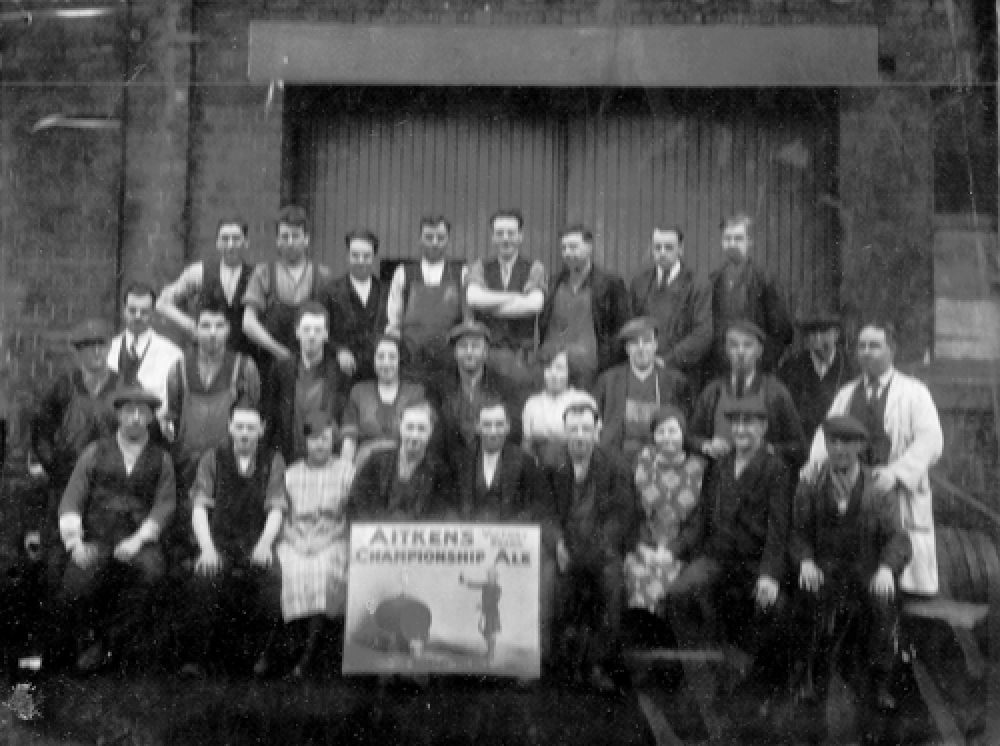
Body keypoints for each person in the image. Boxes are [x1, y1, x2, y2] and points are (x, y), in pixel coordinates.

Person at [664, 399, 792, 709]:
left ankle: (740, 666)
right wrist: (683, 553)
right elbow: (704, 518)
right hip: (716, 557)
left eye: (750, 423)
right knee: (679, 594)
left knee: (775, 607)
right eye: (736, 424)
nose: (742, 430)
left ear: (762, 428)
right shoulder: (719, 466)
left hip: (753, 562)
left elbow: (778, 529)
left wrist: (769, 576)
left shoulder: (776, 469)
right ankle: (702, 673)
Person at [805, 319, 943, 596]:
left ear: (891, 350)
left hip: (892, 488)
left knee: (896, 565)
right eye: (861, 346)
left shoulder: (914, 393)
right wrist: (814, 463)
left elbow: (931, 441)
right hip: (853, 489)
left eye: (875, 346)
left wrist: (897, 473)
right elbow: (827, 433)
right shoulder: (846, 394)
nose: (866, 352)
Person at [790, 415, 911, 721]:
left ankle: (880, 685)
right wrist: (805, 561)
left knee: (883, 608)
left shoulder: (878, 487)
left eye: (847, 443)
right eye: (833, 442)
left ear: (859, 447)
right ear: (826, 445)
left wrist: (886, 569)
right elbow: (797, 532)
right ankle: (809, 681)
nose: (839, 449)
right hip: (825, 569)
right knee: (808, 604)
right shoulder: (811, 483)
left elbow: (898, 538)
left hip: (866, 570)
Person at [56, 385, 176, 672]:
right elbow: (73, 497)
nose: (135, 417)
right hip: (97, 539)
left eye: (142, 412)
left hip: (140, 542)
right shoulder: (95, 452)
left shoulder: (162, 459)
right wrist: (75, 543)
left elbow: (165, 505)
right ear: (119, 416)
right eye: (129, 411)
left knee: (151, 577)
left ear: (150, 418)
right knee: (75, 585)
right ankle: (92, 643)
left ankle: (116, 647)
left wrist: (138, 541)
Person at [179, 402, 285, 678]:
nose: (244, 434)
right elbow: (200, 509)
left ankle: (256, 658)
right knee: (203, 580)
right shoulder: (212, 458)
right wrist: (207, 549)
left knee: (272, 586)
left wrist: (264, 545)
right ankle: (197, 659)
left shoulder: (273, 460)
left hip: (255, 541)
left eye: (251, 428)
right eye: (239, 427)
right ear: (230, 428)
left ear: (261, 430)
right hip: (219, 542)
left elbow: (275, 509)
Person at [454, 399, 557, 662]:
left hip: (513, 543)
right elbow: (450, 503)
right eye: (487, 424)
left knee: (542, 580)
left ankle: (528, 659)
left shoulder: (524, 460)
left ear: (509, 427)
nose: (493, 430)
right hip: (471, 545)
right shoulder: (462, 460)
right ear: (477, 427)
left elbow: (540, 504)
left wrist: (512, 531)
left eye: (499, 424)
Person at [546, 397, 638, 691]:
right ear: (565, 432)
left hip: (601, 548)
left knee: (612, 585)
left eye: (586, 429)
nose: (580, 436)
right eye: (573, 429)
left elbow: (621, 516)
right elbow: (544, 512)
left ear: (597, 430)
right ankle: (558, 662)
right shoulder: (552, 463)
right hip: (564, 547)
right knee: (550, 583)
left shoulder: (616, 466)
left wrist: (595, 550)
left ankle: (599, 663)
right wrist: (557, 542)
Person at [29, 320, 120, 577]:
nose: (96, 353)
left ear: (109, 347)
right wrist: (55, 467)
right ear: (78, 352)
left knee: (103, 560)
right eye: (88, 347)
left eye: (101, 345)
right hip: (65, 483)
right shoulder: (64, 385)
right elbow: (41, 433)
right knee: (56, 557)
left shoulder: (124, 385)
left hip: (106, 487)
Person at [273, 413, 352, 678]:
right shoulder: (291, 474)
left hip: (333, 537)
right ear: (305, 441)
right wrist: (296, 540)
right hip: (296, 538)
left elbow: (350, 516)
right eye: (314, 439)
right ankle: (291, 647)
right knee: (288, 570)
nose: (320, 445)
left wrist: (326, 539)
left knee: (322, 572)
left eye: (326, 439)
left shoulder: (346, 471)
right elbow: (281, 514)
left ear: (334, 441)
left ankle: (310, 654)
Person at [164, 299, 261, 494]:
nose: (213, 333)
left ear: (229, 330)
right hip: (188, 465)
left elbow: (252, 415)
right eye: (205, 326)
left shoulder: (244, 367)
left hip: (229, 465)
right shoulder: (179, 368)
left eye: (219, 326)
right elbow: (173, 417)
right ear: (196, 330)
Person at [689, 319, 806, 469]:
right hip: (719, 474)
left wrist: (767, 449)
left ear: (759, 351)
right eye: (733, 345)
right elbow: (691, 437)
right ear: (726, 350)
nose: (740, 352)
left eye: (748, 345)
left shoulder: (775, 392)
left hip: (762, 475)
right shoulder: (713, 391)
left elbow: (799, 447)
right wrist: (707, 445)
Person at [624, 405, 705, 614]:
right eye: (661, 432)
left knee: (675, 577)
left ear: (683, 434)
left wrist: (672, 551)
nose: (667, 437)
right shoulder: (639, 465)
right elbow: (630, 514)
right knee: (634, 572)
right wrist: (643, 548)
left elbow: (700, 521)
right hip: (643, 547)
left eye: (673, 431)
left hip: (683, 550)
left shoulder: (699, 468)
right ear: (653, 437)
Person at [384, 215, 467, 401]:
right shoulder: (403, 273)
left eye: (440, 238)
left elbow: (468, 321)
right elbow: (393, 323)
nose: (435, 243)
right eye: (429, 237)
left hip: (449, 363)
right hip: (412, 361)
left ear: (448, 240)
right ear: (419, 239)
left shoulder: (462, 273)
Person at [242, 205, 332, 372]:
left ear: (306, 239)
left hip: (312, 367)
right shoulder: (264, 272)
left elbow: (331, 326)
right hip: (271, 363)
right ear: (277, 240)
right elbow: (248, 322)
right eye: (285, 236)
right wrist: (279, 352)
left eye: (295, 236)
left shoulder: (322, 276)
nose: (290, 242)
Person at [538, 225, 630, 390]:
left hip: (590, 372)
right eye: (564, 248)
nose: (567, 252)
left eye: (573, 247)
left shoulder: (610, 283)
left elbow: (623, 327)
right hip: (552, 367)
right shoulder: (553, 283)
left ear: (589, 247)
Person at [465, 209, 547, 390]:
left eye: (511, 233)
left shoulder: (534, 267)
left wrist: (489, 303)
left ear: (521, 236)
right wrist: (516, 297)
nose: (505, 238)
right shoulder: (479, 266)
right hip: (487, 353)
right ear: (493, 237)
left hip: (522, 356)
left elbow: (535, 304)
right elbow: (473, 299)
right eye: (499, 233)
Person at [592, 317, 691, 463]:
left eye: (647, 342)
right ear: (627, 349)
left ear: (655, 345)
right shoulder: (608, 380)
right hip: (618, 456)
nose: (641, 347)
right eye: (634, 343)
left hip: (660, 456)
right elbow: (595, 420)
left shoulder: (675, 381)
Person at [156, 216, 256, 358]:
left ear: (246, 243)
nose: (230, 244)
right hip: (204, 354)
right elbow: (162, 303)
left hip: (243, 356)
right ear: (217, 243)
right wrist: (191, 326)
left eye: (236, 238)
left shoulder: (257, 276)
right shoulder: (199, 272)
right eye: (225, 238)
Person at [707, 214, 793, 377]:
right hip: (721, 370)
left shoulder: (764, 280)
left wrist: (762, 363)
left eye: (738, 238)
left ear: (750, 242)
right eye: (727, 238)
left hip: (756, 370)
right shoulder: (714, 280)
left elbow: (782, 331)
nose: (732, 244)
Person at [266, 302, 347, 465]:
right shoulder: (282, 369)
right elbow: (272, 416)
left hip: (326, 458)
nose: (311, 335)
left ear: (326, 334)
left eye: (317, 330)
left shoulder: (338, 372)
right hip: (287, 457)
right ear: (297, 332)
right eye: (306, 329)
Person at [628, 225, 713, 376]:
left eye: (668, 247)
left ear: (680, 249)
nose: (662, 253)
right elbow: (631, 326)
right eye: (657, 247)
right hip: (643, 368)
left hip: (682, 371)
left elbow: (702, 333)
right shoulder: (639, 283)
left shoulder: (697, 284)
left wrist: (668, 360)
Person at [349, 400, 454, 521]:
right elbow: (356, 504)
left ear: (431, 432)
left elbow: (442, 516)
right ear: (400, 427)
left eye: (422, 429)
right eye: (409, 427)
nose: (414, 435)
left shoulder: (440, 471)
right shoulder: (376, 461)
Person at [438, 320, 520, 464]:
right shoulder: (439, 387)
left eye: (475, 346)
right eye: (463, 346)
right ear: (455, 352)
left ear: (485, 352)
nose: (469, 352)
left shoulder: (505, 387)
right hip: (449, 464)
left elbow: (514, 431)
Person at [339, 333, 425, 471]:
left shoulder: (415, 393)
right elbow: (349, 441)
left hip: (403, 466)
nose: (386, 362)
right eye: (380, 356)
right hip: (365, 466)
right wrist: (344, 472)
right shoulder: (359, 391)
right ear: (373, 360)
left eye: (392, 357)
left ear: (399, 360)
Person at [106, 281, 183, 434]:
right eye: (132, 310)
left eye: (144, 311)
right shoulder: (108, 350)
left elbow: (173, 404)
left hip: (153, 433)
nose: (138, 316)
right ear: (123, 311)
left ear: (153, 313)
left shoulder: (172, 353)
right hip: (110, 432)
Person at [778, 312, 857, 440]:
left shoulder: (852, 367)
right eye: (812, 332)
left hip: (840, 439)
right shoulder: (791, 366)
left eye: (824, 331)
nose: (817, 337)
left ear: (836, 334)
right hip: (801, 441)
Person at [324, 229, 387, 383]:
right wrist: (339, 351)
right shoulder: (330, 290)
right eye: (355, 255)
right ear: (347, 256)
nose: (360, 260)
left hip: (378, 371)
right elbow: (322, 330)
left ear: (374, 257)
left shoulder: (387, 290)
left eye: (366, 256)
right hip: (342, 371)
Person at [521, 347, 582, 468]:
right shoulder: (532, 403)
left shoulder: (582, 401)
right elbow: (526, 445)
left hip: (573, 466)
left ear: (569, 372)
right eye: (548, 368)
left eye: (560, 368)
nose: (554, 374)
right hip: (539, 469)